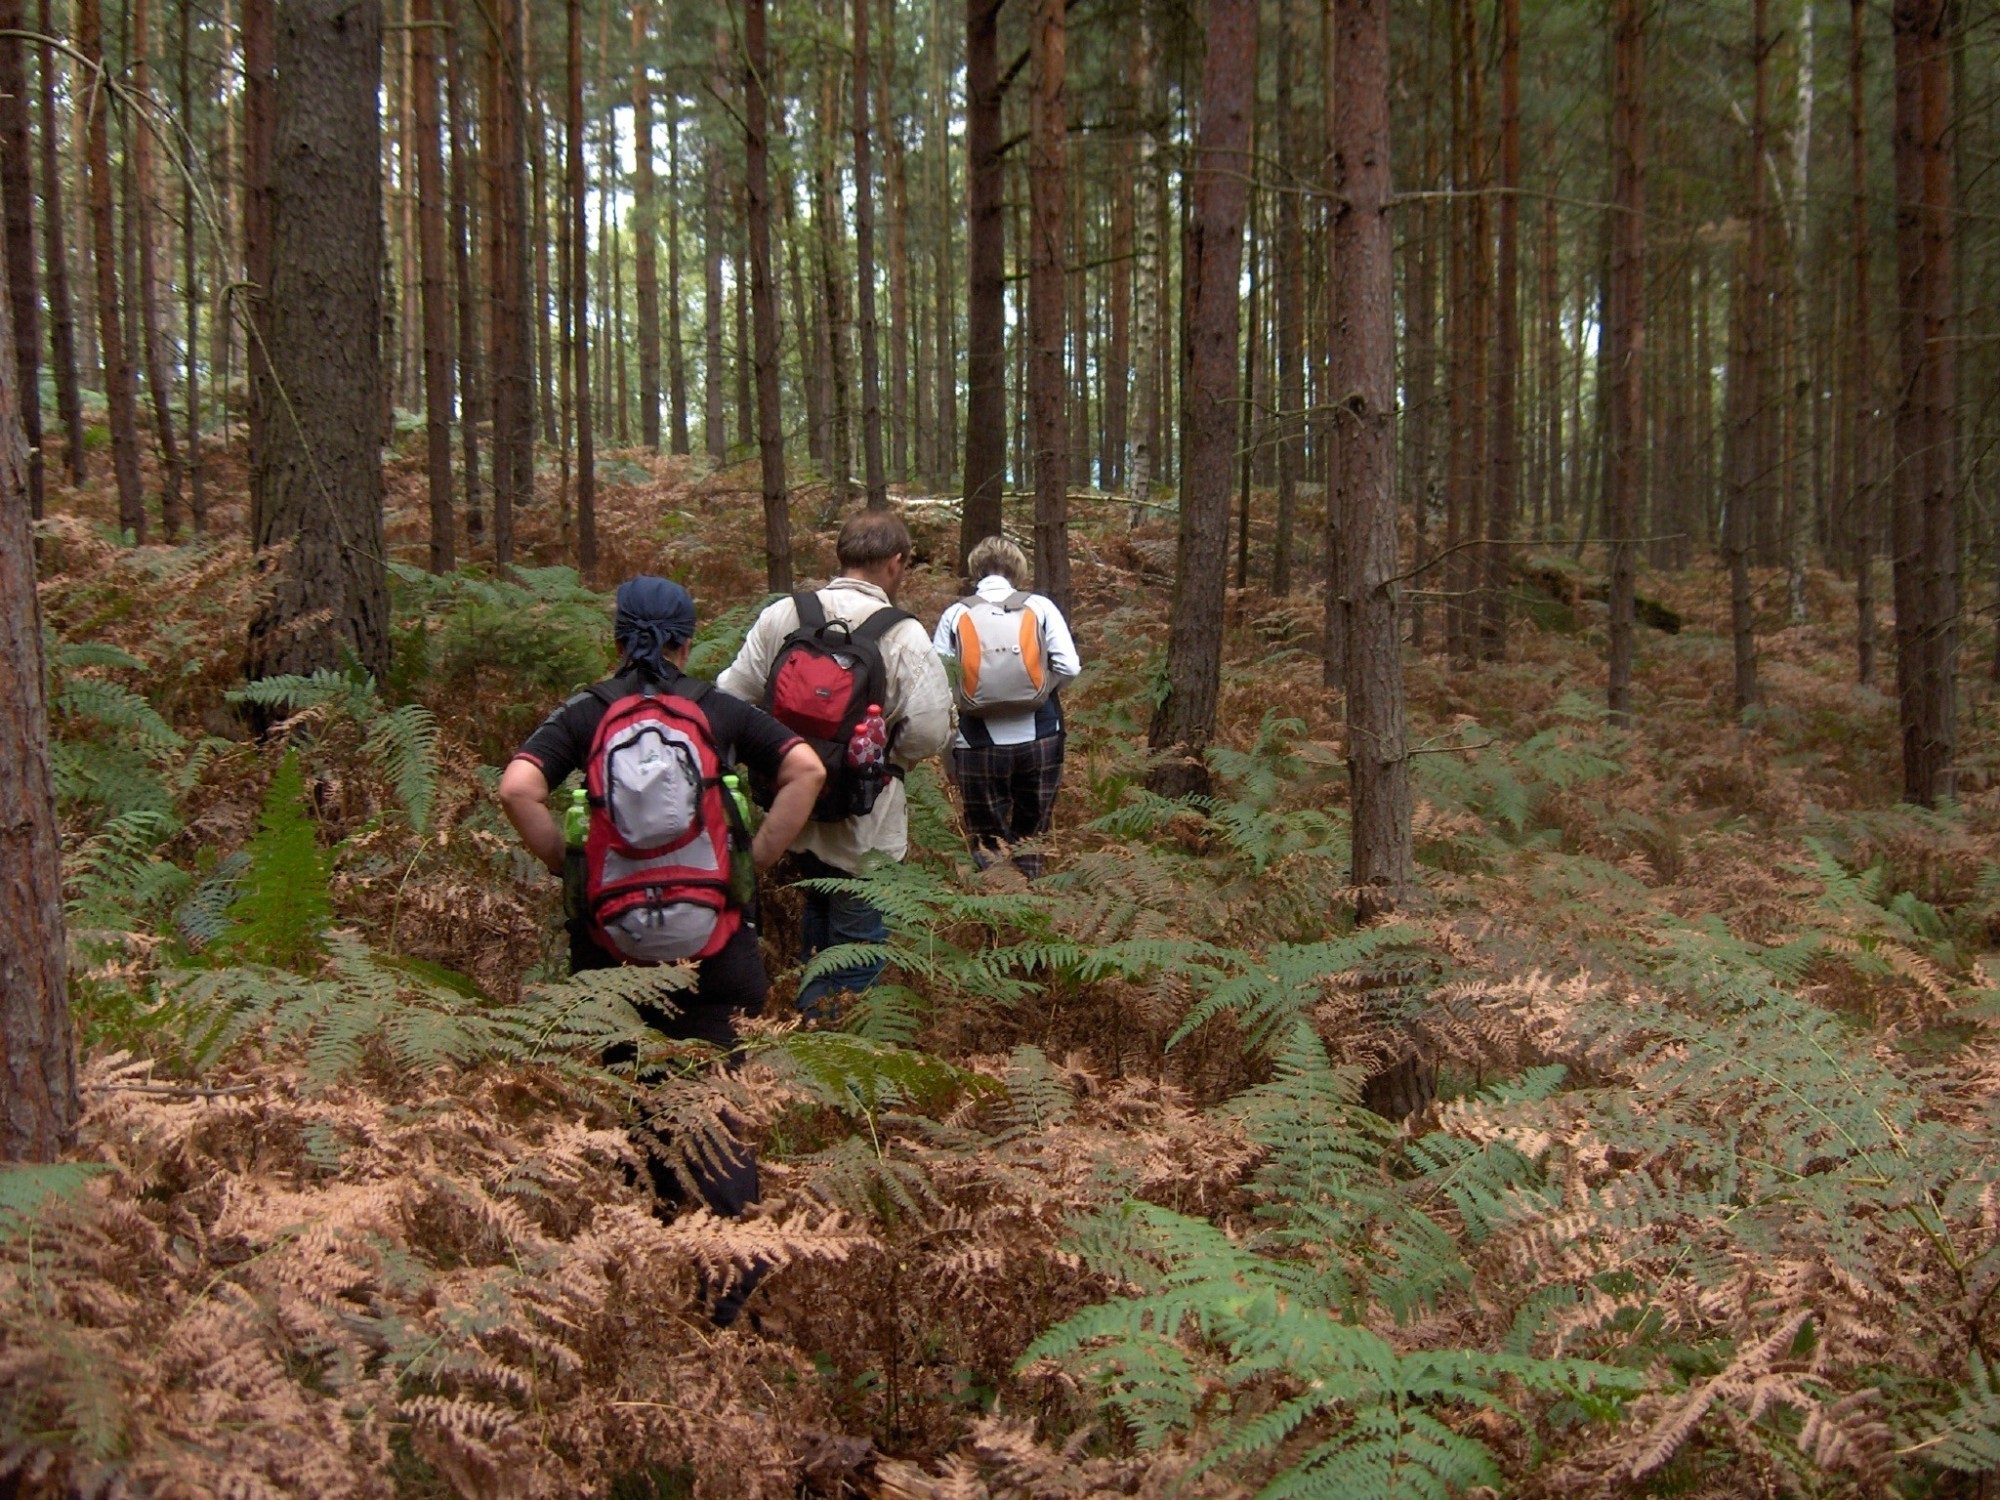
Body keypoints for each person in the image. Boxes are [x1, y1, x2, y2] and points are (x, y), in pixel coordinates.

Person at [497, 576, 823, 1325]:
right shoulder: (719, 708)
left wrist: (575, 873)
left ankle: (645, 1291)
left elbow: (517, 789)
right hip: (718, 949)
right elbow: (807, 768)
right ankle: (729, 1300)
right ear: (687, 639)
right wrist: (752, 863)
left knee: (634, 1107)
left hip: (611, 957)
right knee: (712, 1113)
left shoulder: (588, 711)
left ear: (614, 637)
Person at [718, 511, 954, 1016]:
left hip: (794, 810)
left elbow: (730, 697)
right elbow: (930, 732)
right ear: (896, 562)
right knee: (857, 945)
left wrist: (781, 754)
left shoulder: (784, 615)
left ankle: (808, 1018)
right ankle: (828, 1037)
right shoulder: (904, 635)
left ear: (841, 555)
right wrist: (883, 757)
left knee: (819, 910)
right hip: (864, 820)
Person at [932, 535, 1080, 879]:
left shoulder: (956, 614)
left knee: (988, 842)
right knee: (1032, 838)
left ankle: (997, 898)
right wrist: (1042, 692)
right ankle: (1030, 895)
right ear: (1017, 570)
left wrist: (948, 755)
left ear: (976, 570)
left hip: (977, 742)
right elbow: (1069, 667)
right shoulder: (1040, 607)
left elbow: (940, 684)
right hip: (1041, 737)